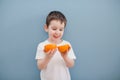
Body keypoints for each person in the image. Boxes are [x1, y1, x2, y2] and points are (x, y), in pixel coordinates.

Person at [35, 11, 76, 80]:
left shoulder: (67, 45)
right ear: (46, 28)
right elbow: (40, 66)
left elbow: (71, 65)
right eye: (54, 29)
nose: (57, 32)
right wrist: (47, 57)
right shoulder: (42, 45)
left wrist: (65, 56)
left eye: (61, 29)